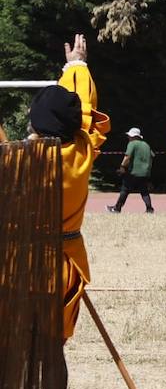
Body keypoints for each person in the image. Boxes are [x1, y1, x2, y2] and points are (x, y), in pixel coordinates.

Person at [28, 35, 110, 345]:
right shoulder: (83, 152)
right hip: (67, 265)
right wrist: (77, 67)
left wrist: (74, 66)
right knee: (53, 351)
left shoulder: (20, 160)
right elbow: (84, 114)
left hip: (23, 266)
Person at [108, 126, 153, 213]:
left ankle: (117, 208)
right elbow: (152, 156)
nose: (128, 137)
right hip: (145, 172)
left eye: (130, 136)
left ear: (134, 136)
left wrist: (122, 167)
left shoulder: (132, 144)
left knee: (125, 189)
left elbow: (127, 156)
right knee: (144, 191)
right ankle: (149, 209)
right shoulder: (146, 145)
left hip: (133, 172)